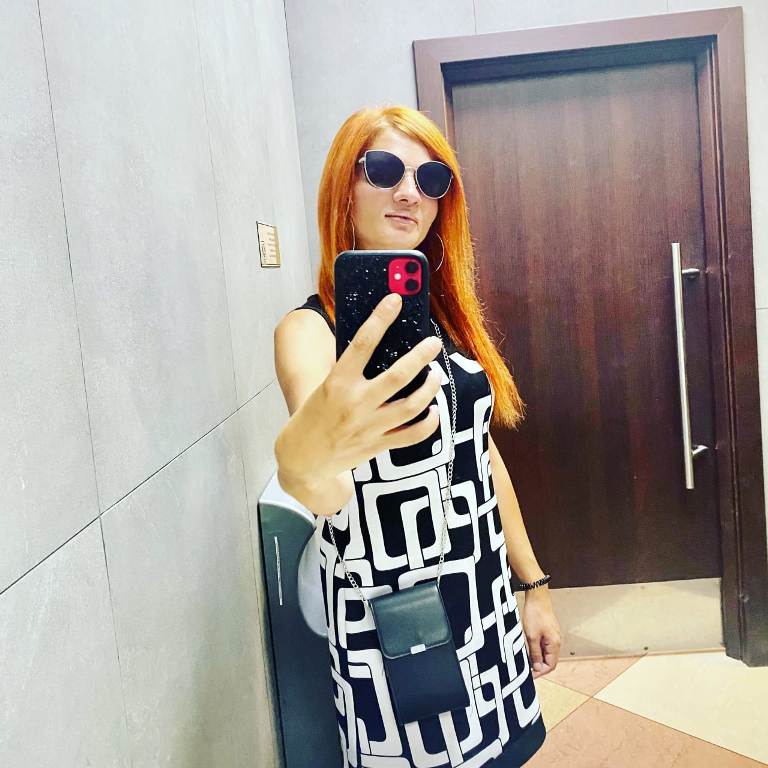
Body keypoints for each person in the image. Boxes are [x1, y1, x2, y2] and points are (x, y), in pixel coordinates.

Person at [273, 105, 561, 767]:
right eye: (383, 170)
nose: (410, 192)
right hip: (396, 623)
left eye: (431, 180)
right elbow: (319, 483)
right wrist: (300, 462)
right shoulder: (308, 332)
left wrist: (534, 584)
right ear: (344, 188)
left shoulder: (440, 319)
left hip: (482, 596)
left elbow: (481, 455)